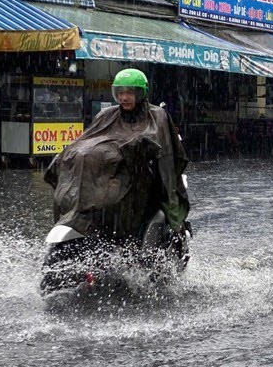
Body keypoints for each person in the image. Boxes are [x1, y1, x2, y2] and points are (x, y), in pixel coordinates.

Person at [44, 68, 189, 241]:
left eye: (129, 93)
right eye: (120, 93)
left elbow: (165, 158)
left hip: (140, 180)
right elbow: (88, 141)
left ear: (140, 93)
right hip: (110, 179)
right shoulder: (107, 115)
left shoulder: (157, 116)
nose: (124, 98)